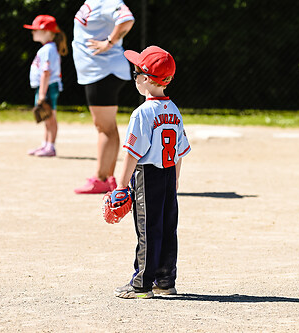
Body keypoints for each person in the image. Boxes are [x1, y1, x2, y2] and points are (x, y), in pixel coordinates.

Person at [111, 46, 191, 299]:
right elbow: (179, 153)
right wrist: (175, 181)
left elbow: (132, 154)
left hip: (147, 176)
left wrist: (121, 186)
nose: (134, 77)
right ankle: (166, 281)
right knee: (168, 228)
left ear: (145, 80)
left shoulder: (142, 113)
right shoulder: (174, 111)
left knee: (148, 229)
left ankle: (142, 284)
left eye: (136, 73)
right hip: (168, 175)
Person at [72, 0, 135, 193]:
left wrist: (109, 42)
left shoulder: (107, 1)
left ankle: (101, 179)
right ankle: (107, 178)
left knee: (104, 128)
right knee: (108, 127)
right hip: (99, 72)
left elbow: (127, 19)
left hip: (102, 72)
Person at [24, 15, 68, 157]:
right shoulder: (47, 48)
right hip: (46, 87)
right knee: (46, 117)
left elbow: (46, 73)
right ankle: (45, 144)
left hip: (48, 87)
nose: (33, 32)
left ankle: (51, 146)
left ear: (47, 32)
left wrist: (42, 95)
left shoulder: (48, 49)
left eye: (36, 30)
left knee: (50, 117)